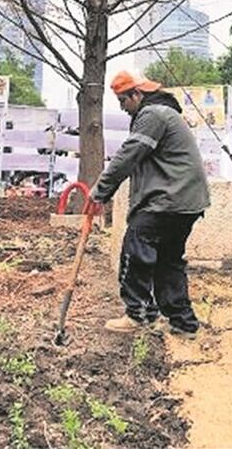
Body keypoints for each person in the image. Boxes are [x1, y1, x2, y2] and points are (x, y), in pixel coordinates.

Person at [90, 70, 209, 339]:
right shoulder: (164, 114)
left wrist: (100, 191)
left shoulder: (152, 114)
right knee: (169, 262)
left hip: (169, 200)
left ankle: (139, 315)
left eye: (123, 101)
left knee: (136, 250)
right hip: (186, 201)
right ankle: (183, 322)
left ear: (137, 94)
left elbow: (128, 155)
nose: (123, 109)